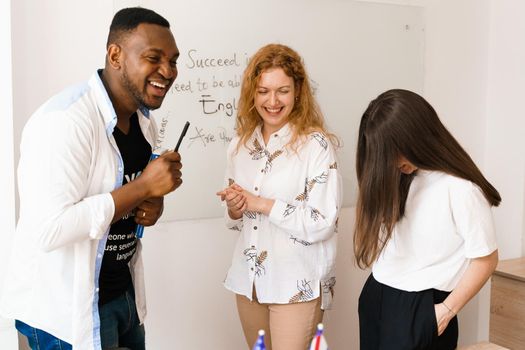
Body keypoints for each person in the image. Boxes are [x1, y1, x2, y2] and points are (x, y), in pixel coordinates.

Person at [0, 7, 182, 350]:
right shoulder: (65, 122)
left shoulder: (144, 123)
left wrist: (150, 204)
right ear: (115, 55)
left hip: (122, 295)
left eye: (173, 60)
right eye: (153, 58)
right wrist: (143, 186)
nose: (167, 71)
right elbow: (50, 229)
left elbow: (121, 199)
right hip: (65, 312)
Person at [217, 44, 342, 350]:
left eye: (282, 91)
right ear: (252, 93)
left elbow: (323, 222)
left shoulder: (316, 146)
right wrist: (235, 208)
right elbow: (234, 223)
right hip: (249, 283)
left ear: (298, 92)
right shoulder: (239, 146)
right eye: (263, 91)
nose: (272, 101)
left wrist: (260, 203)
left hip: (296, 284)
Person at [354, 89, 500, 350]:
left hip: (420, 308)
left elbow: (486, 259)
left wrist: (446, 310)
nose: (390, 161)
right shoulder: (403, 175)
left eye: (393, 152)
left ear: (416, 137)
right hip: (377, 293)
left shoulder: (461, 189)